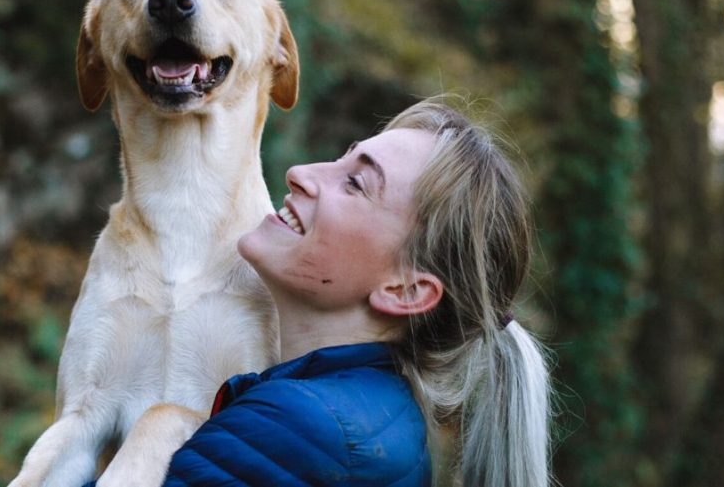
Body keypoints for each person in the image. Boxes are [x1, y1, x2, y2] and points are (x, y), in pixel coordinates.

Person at [105, 99, 551, 486]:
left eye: (355, 184)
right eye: (342, 158)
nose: (300, 173)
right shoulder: (369, 418)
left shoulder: (304, 429)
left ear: (406, 290)